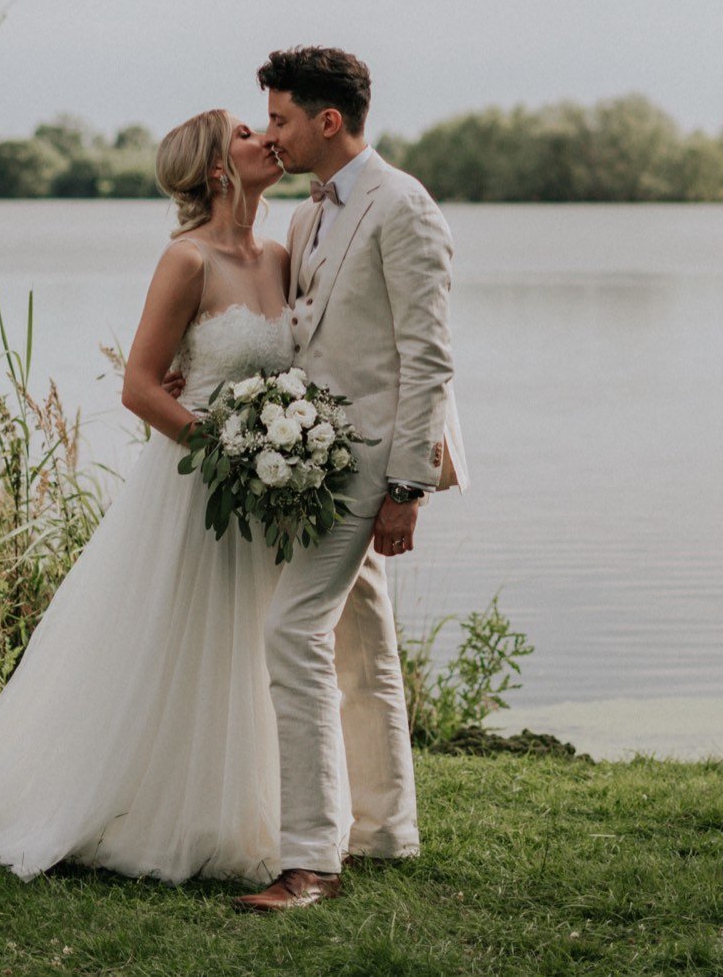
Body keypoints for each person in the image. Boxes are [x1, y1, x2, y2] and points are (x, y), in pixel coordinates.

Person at [0, 110, 295, 884]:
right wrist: (224, 450)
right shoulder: (186, 260)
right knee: (173, 643)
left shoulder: (283, 253)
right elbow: (140, 387)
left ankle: (245, 804)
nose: (266, 136)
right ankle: (142, 800)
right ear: (213, 168)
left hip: (263, 494)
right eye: (244, 132)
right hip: (200, 485)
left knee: (246, 643)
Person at [236, 46, 471, 913]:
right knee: (362, 644)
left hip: (371, 463)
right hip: (312, 461)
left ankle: (312, 862)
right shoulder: (308, 218)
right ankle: (384, 829)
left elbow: (428, 357)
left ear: (328, 121)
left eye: (283, 119)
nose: (273, 133)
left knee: (291, 632)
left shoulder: (402, 207)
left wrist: (406, 489)